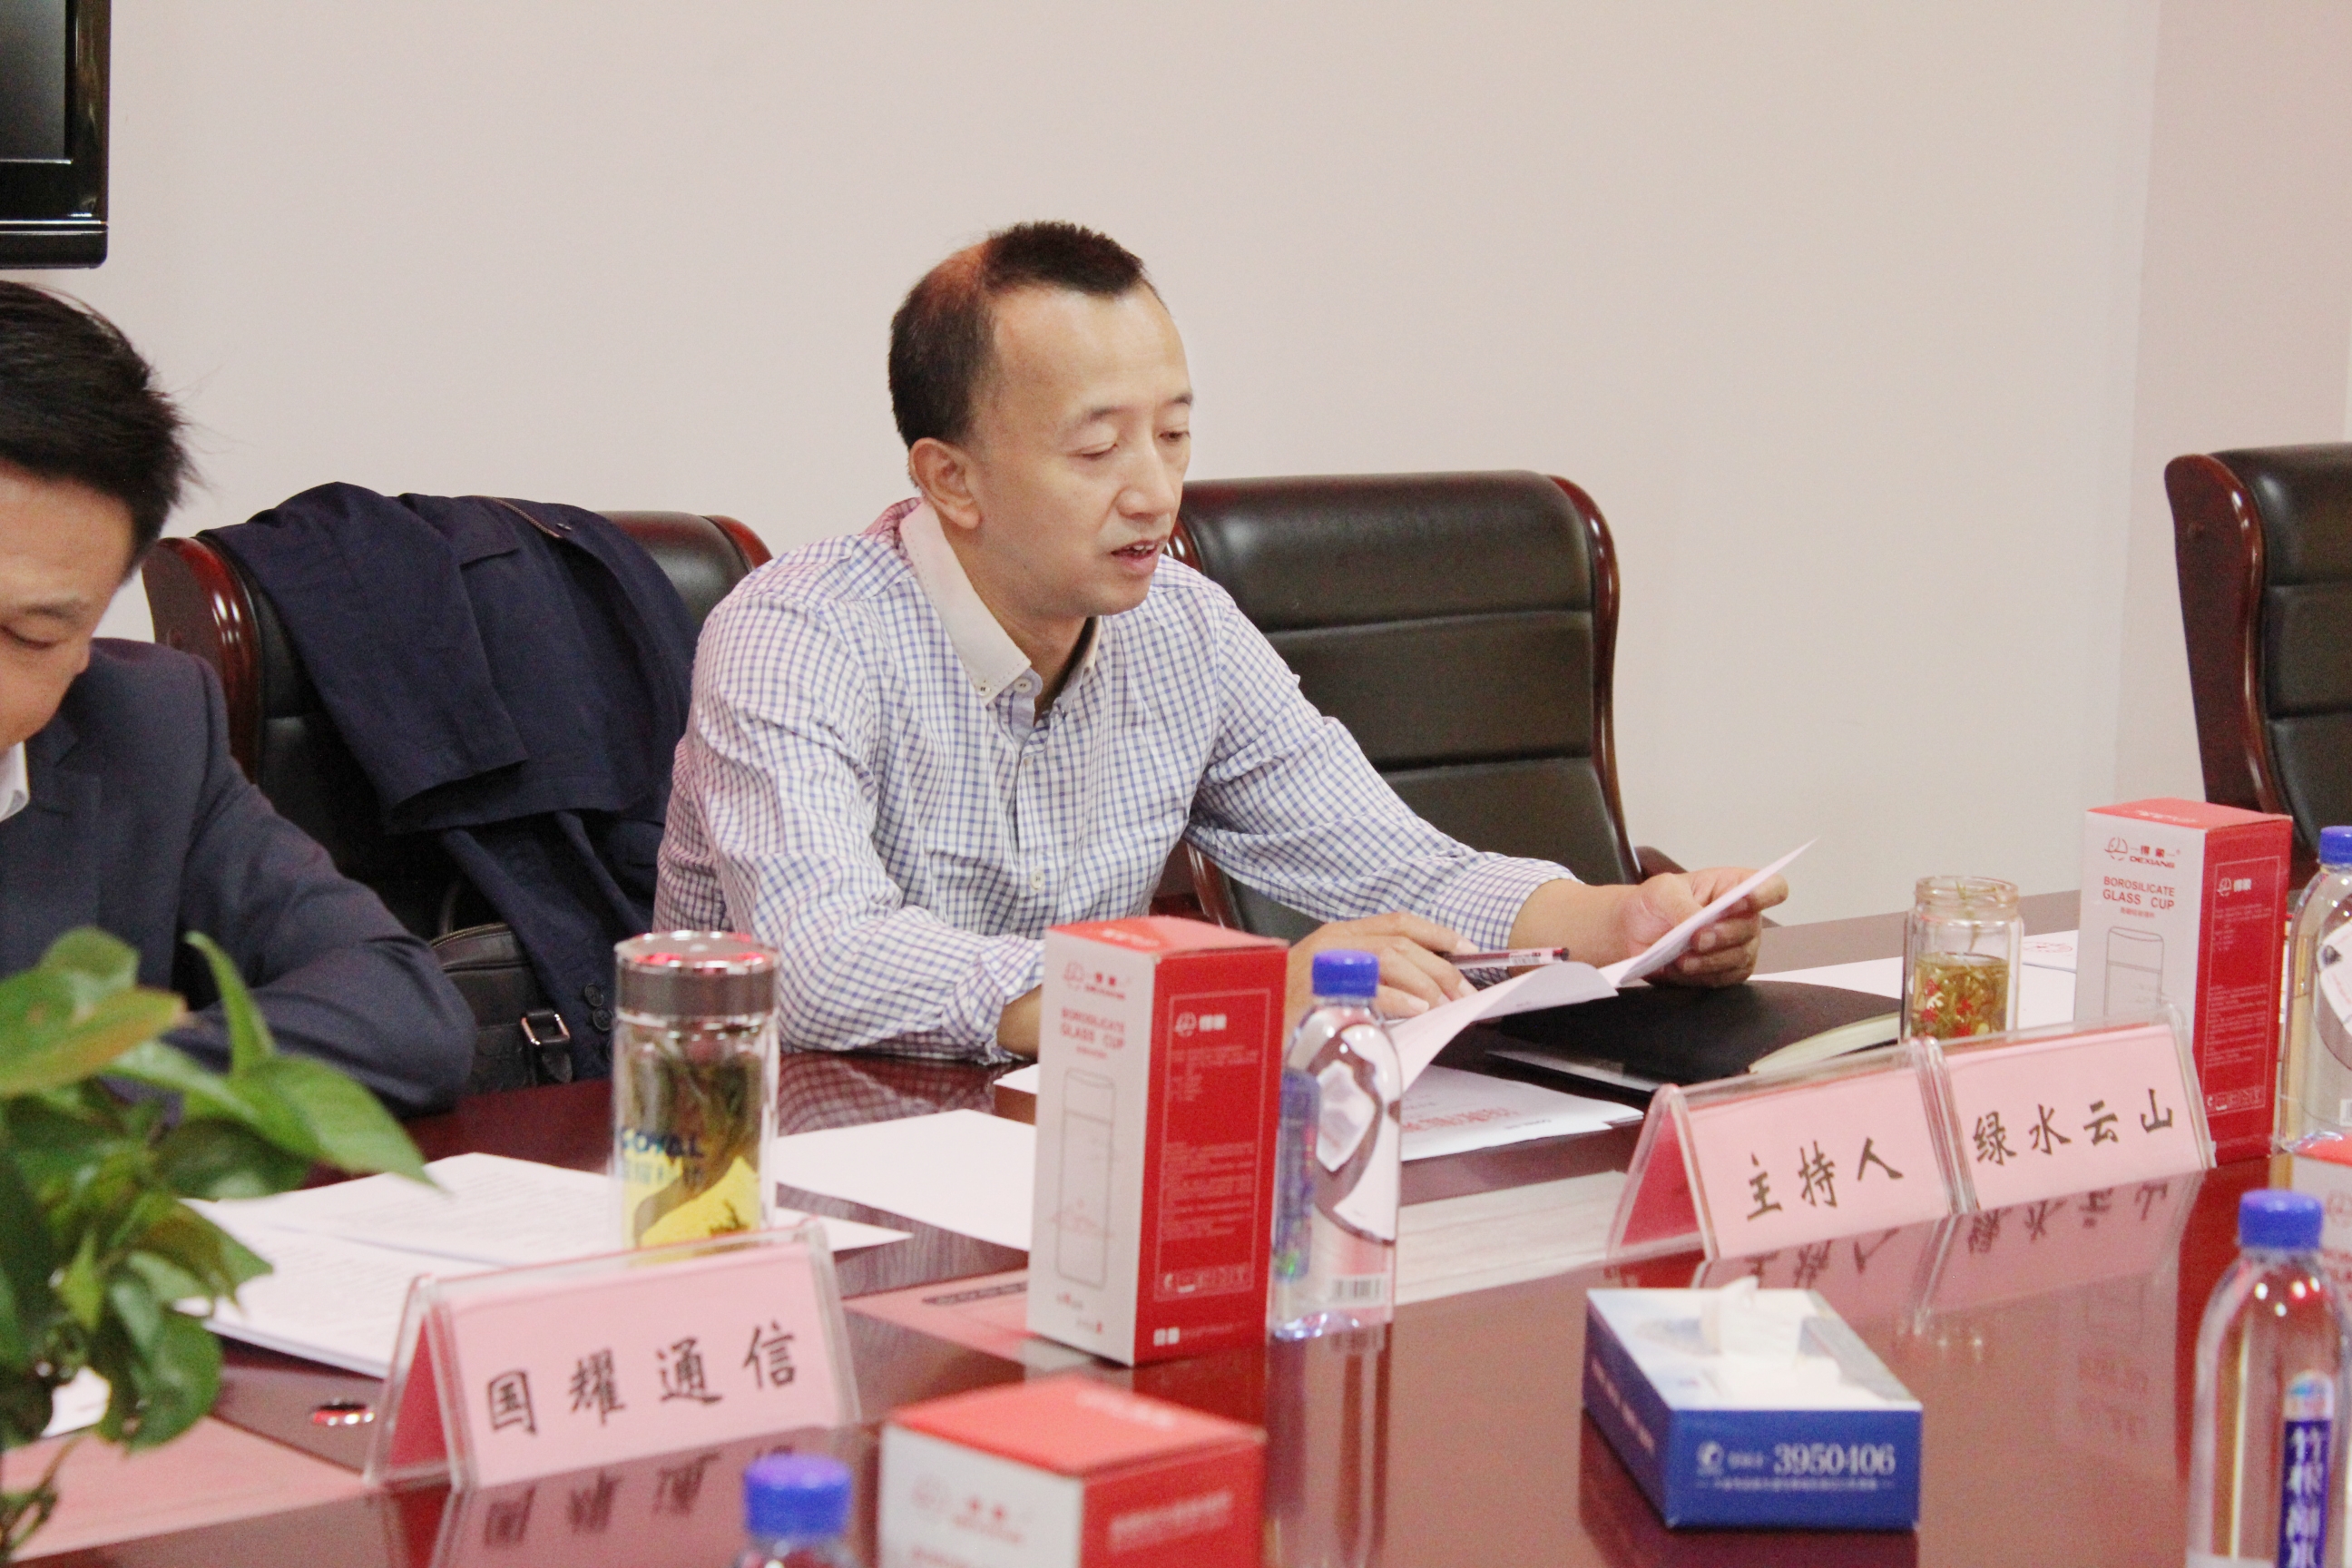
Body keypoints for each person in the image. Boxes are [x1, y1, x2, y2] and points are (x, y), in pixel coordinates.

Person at [657, 221, 1788, 1060]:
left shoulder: (1183, 627)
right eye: (1097, 450)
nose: (1155, 492)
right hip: (789, 1166)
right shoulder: (797, 636)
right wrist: (1213, 994)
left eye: (1174, 434)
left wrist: (1621, 922)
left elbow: (1397, 866)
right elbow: (821, 961)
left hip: (1059, 1142)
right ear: (951, 480)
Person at [0, 282, 474, 1115]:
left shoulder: (143, 728)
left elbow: (403, 1012)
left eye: (31, 635)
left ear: (85, 639)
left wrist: (62, 1096)